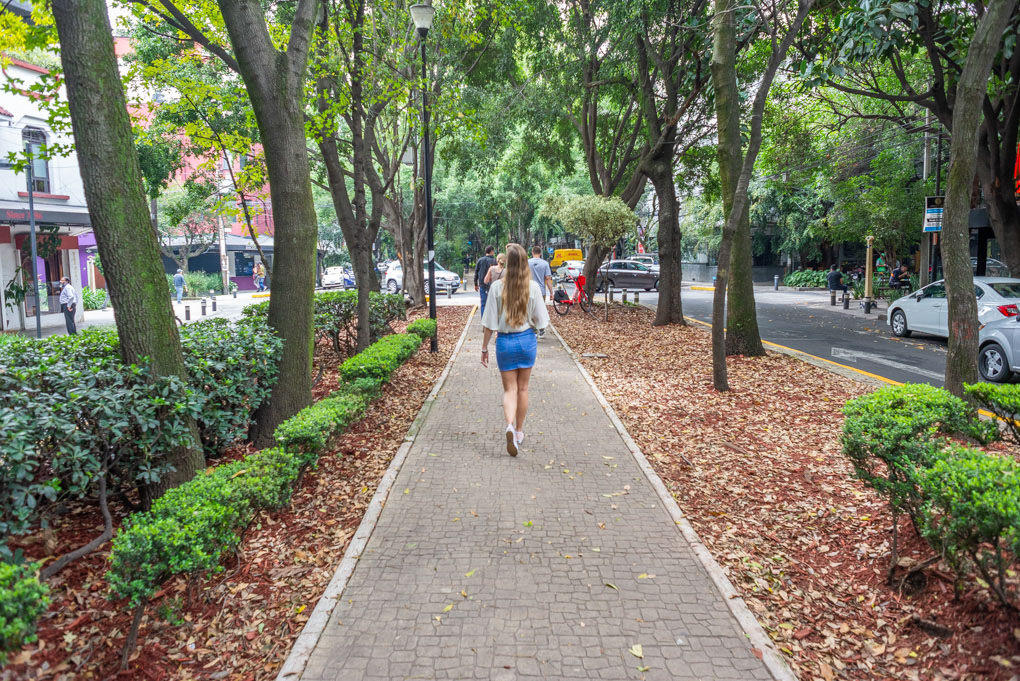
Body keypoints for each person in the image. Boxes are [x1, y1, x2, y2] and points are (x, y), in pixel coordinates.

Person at [480, 244, 550, 457]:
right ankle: (519, 432)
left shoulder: (497, 288)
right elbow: (541, 322)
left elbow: (490, 324)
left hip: (505, 343)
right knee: (523, 389)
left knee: (509, 390)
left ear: (507, 263)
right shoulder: (533, 288)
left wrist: (484, 348)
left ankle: (509, 425)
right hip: (527, 341)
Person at [527, 246, 554, 338]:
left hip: (528, 290)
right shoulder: (545, 264)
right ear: (540, 253)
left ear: (532, 252)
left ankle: (534, 331)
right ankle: (541, 329)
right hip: (541, 291)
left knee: (530, 310)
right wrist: (551, 292)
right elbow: (548, 279)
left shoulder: (527, 262)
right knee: (540, 310)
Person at [475, 245, 496, 316]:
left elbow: (476, 272)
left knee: (483, 303)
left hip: (482, 285)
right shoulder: (494, 261)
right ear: (492, 251)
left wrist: (475, 284)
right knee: (492, 304)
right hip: (492, 285)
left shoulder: (480, 260)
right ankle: (491, 320)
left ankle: (483, 320)